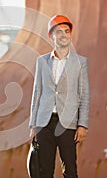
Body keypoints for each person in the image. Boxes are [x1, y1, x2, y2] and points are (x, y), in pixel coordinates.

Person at [29, 15, 90, 178]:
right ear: (51, 36)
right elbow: (37, 93)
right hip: (44, 124)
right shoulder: (42, 61)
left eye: (67, 31)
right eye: (59, 32)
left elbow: (84, 95)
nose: (64, 35)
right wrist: (33, 125)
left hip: (68, 124)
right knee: (44, 171)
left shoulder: (80, 62)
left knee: (70, 170)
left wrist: (82, 124)